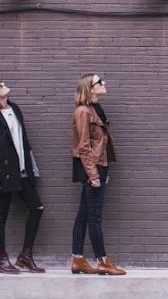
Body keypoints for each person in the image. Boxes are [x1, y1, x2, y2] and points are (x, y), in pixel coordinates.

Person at [0, 79, 45, 274]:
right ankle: (2, 260)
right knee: (1, 214)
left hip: (23, 171)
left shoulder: (15, 108)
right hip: (3, 174)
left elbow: (24, 140)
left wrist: (32, 167)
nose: (3, 84)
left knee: (37, 208)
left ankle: (25, 256)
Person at [70, 73, 126, 276]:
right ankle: (102, 261)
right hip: (90, 168)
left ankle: (77, 259)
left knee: (84, 214)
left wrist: (104, 169)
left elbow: (100, 144)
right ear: (90, 88)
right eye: (100, 81)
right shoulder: (83, 112)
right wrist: (94, 174)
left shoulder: (95, 109)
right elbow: (84, 146)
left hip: (96, 166)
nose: (104, 83)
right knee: (95, 216)